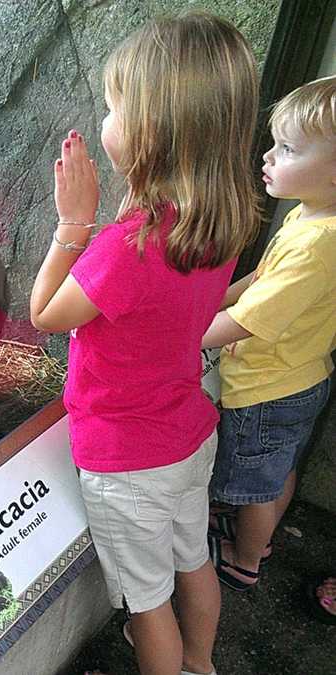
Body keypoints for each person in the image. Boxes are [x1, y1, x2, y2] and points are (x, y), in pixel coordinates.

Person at [29, 13, 260, 675]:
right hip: (189, 435)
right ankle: (203, 661)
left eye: (113, 107)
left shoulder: (125, 248)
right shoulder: (225, 216)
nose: (105, 118)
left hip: (128, 463)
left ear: (150, 130)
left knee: (146, 604)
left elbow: (45, 312)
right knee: (195, 560)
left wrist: (73, 224)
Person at [202, 75, 336, 591]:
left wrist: (180, 336)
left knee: (257, 485)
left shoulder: (313, 247)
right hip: (303, 378)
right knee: (280, 469)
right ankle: (263, 534)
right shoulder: (313, 216)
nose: (268, 157)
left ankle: (244, 558)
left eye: (287, 149)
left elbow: (247, 322)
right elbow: (262, 280)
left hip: (267, 389)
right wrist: (216, 296)